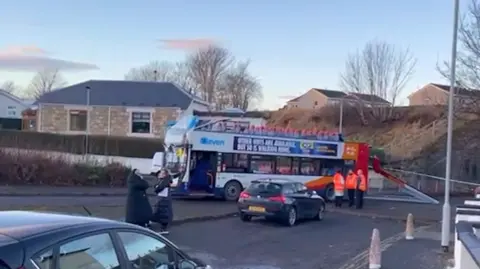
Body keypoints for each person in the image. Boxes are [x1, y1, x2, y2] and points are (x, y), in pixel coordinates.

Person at [151, 168, 174, 234]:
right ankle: (163, 227)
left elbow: (159, 188)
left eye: (161, 173)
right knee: (160, 212)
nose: (159, 174)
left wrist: (156, 188)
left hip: (164, 200)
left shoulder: (165, 181)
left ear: (164, 175)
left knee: (163, 213)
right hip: (162, 200)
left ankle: (164, 229)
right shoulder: (163, 180)